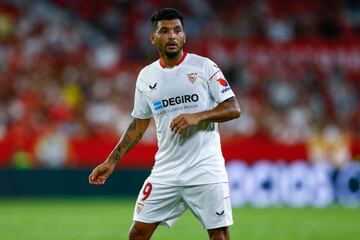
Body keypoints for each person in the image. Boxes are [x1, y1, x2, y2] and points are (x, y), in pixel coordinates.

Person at [89, 8, 241, 240]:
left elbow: (233, 108)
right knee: (137, 234)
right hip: (166, 171)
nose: (171, 36)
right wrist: (111, 161)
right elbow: (139, 124)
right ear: (153, 38)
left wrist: (198, 116)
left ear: (184, 37)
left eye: (177, 31)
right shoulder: (146, 76)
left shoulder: (204, 67)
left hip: (205, 169)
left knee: (218, 235)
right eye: (164, 31)